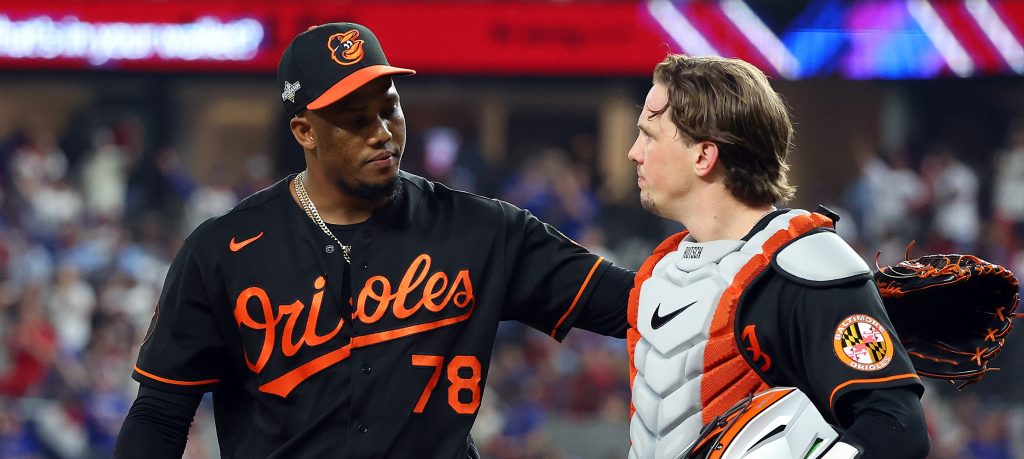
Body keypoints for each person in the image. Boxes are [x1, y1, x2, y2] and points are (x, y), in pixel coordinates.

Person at [113, 22, 634, 458]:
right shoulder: (222, 250)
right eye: (355, 120)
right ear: (304, 132)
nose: (382, 131)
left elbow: (636, 305)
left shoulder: (482, 230)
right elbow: (160, 413)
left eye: (390, 108)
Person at [624, 55, 929, 458]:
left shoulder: (809, 266)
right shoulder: (664, 270)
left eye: (649, 135)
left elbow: (897, 428)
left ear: (703, 156)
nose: (634, 152)